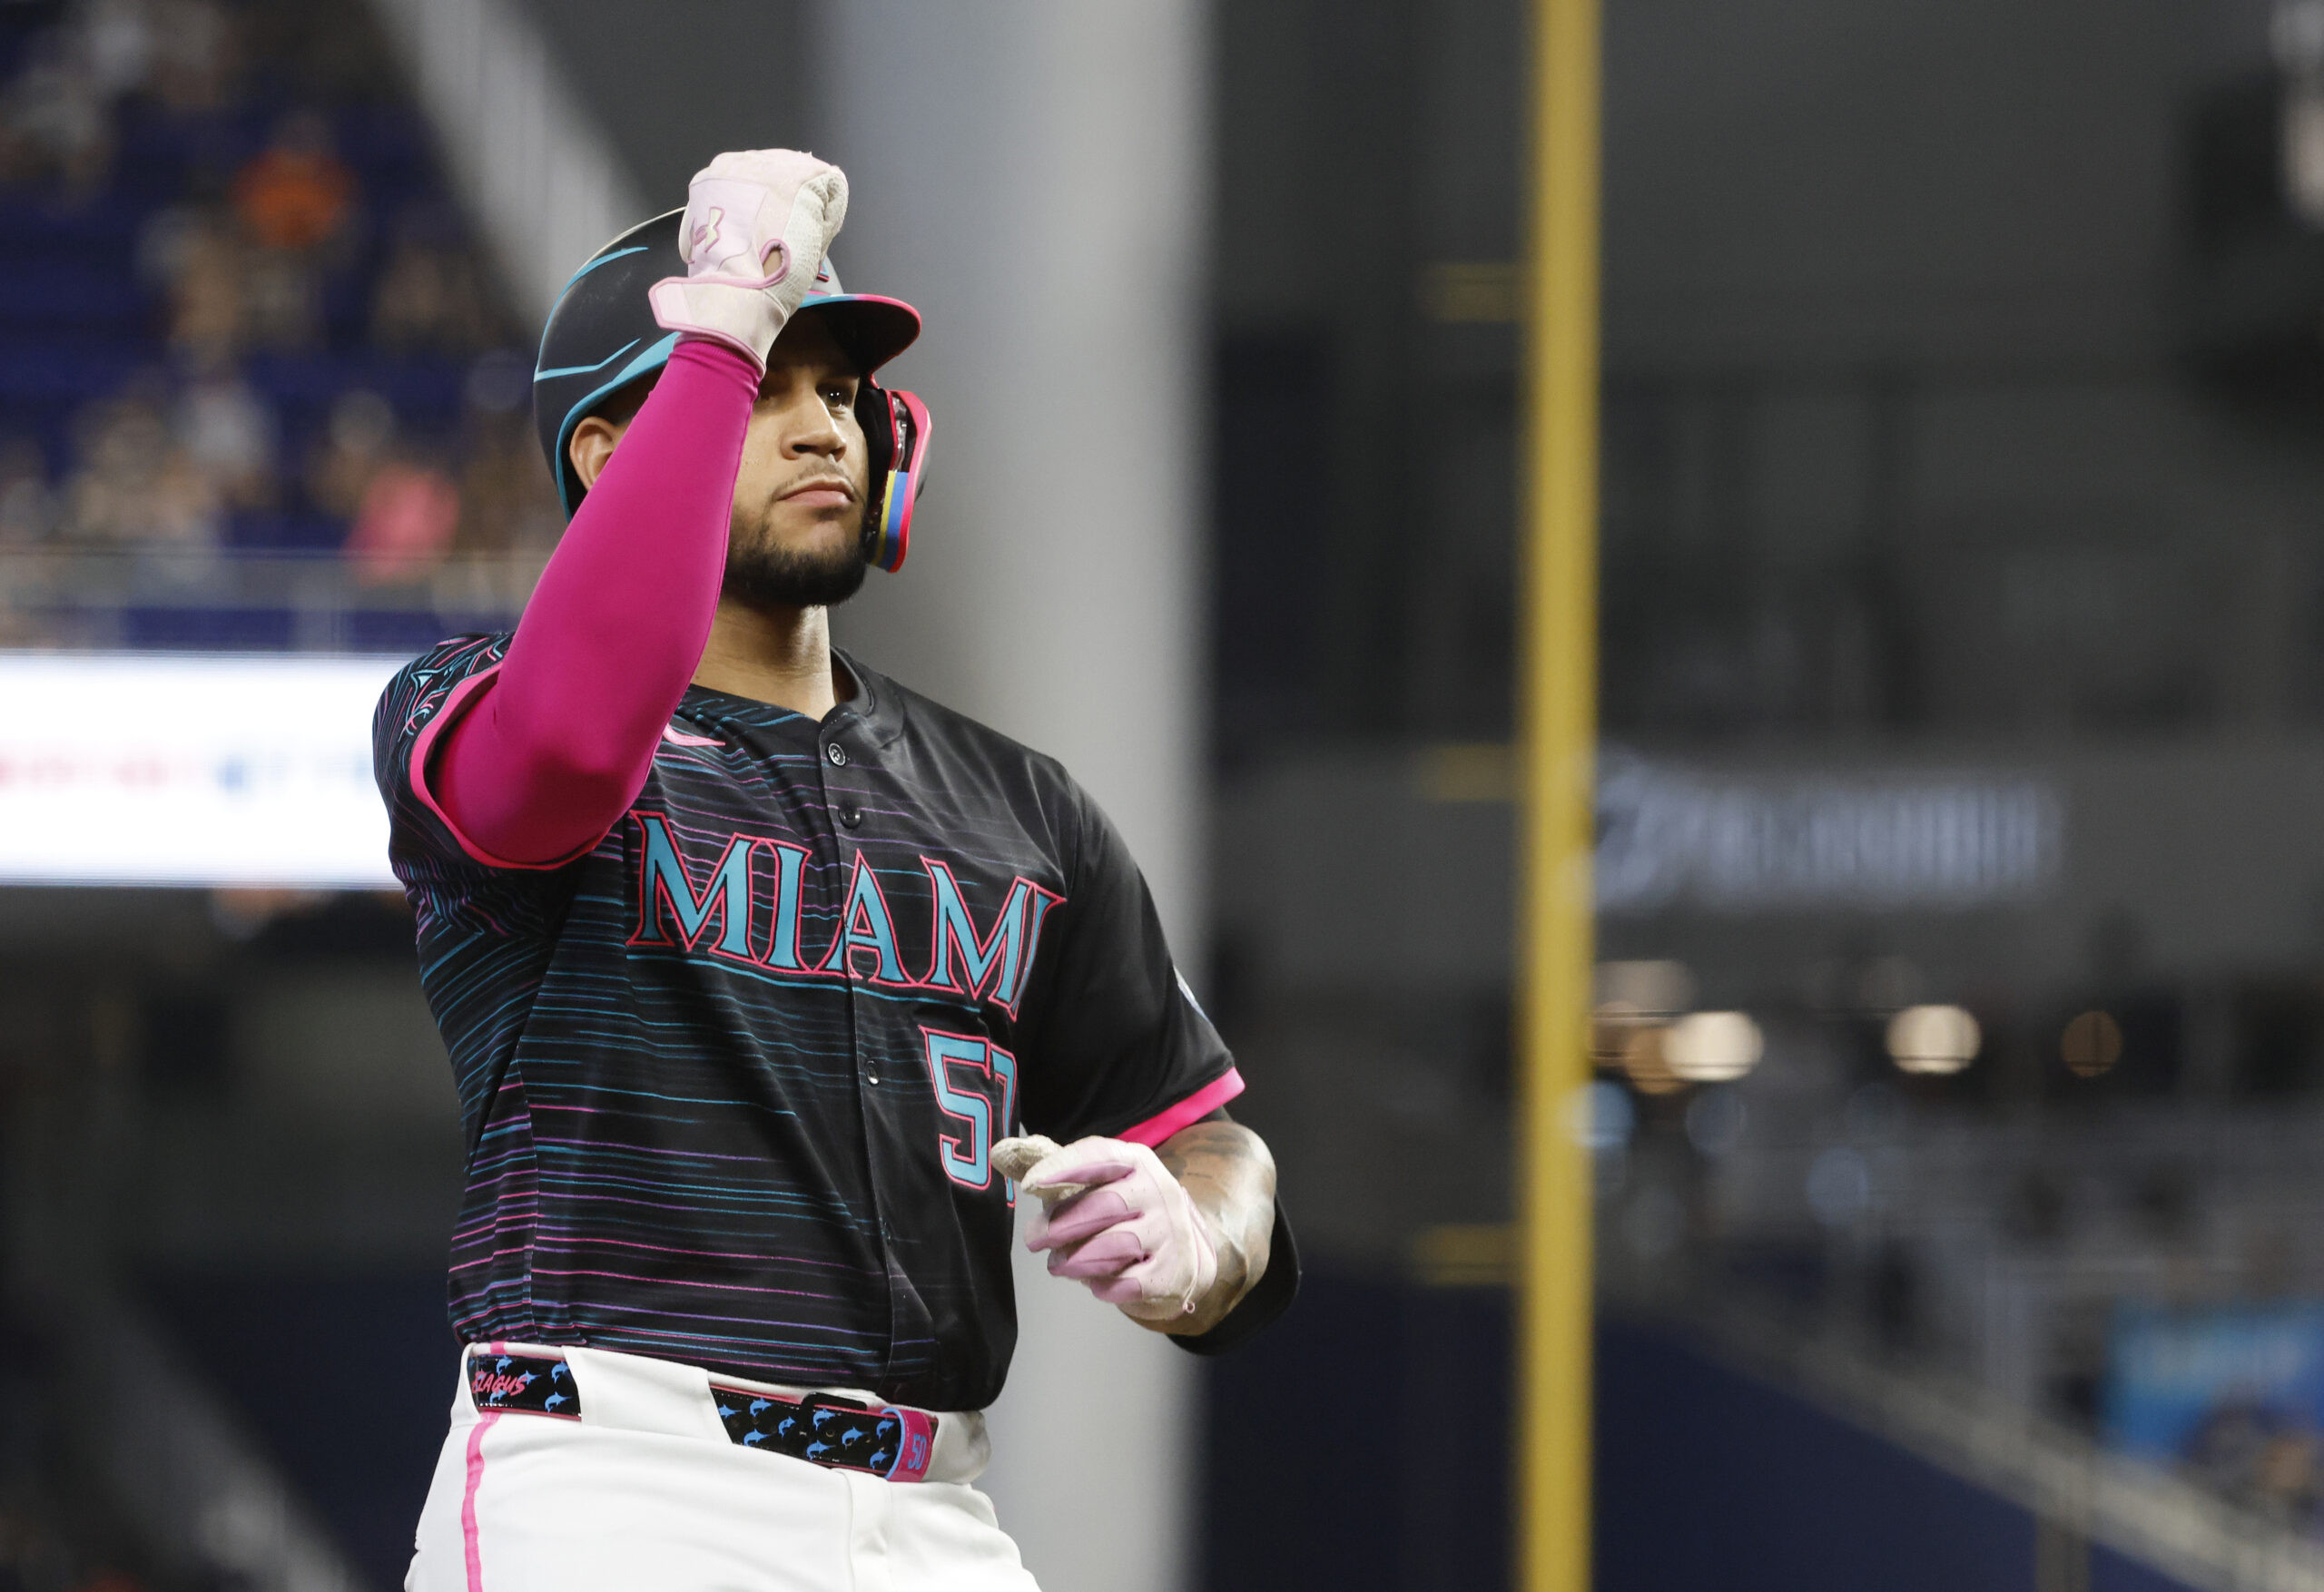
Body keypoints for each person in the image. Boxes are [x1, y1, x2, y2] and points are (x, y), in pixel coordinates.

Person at [378, 150, 1295, 1590]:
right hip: (614, 1484)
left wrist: (1202, 1236)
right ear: (613, 456)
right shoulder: (471, 704)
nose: (824, 424)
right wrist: (716, 335)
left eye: (843, 392)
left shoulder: (1022, 807)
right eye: (770, 386)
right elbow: (566, 743)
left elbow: (1213, 1142)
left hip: (935, 1513)